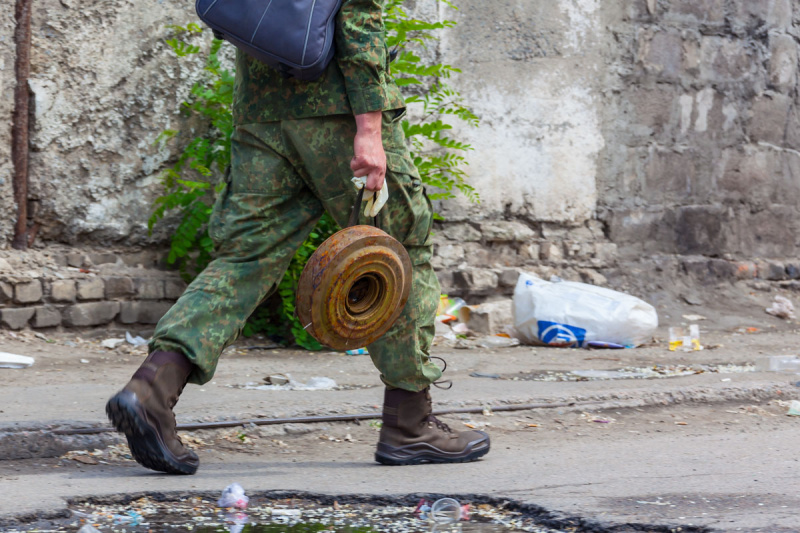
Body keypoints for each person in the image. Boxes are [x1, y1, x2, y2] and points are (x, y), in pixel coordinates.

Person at [105, 0, 490, 474]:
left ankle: (151, 390)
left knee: (246, 257)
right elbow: (359, 16)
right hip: (337, 110)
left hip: (262, 113)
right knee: (397, 251)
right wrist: (369, 129)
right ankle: (410, 425)